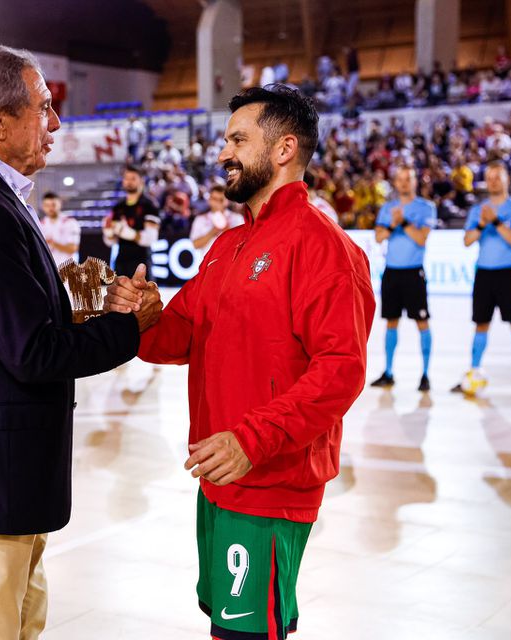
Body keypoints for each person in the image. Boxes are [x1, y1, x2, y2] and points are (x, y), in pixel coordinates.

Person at [0, 45, 162, 640]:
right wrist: (126, 326)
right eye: (44, 108)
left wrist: (71, 304)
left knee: (20, 621)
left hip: (0, 464)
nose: (56, 124)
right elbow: (32, 352)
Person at [106, 84, 374, 640]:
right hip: (220, 477)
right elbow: (179, 335)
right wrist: (137, 316)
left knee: (249, 634)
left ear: (283, 149)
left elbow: (340, 370)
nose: (223, 153)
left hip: (269, 479)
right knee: (225, 628)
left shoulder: (323, 246)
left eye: (238, 139)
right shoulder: (228, 247)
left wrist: (251, 440)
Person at [452, 162, 511, 398]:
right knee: (480, 324)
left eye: (497, 177)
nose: (493, 182)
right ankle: (473, 371)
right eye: (489, 178)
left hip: (508, 273)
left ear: (506, 178)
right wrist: (482, 223)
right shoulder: (479, 210)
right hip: (484, 274)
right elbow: (467, 241)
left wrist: (495, 221)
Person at [370, 166, 437, 391]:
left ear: (415, 181)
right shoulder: (388, 208)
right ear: (395, 183)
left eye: (408, 179)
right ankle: (388, 372)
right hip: (392, 271)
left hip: (413, 272)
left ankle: (425, 374)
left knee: (422, 321)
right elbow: (379, 237)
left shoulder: (425, 207)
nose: (404, 183)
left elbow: (422, 238)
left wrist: (404, 223)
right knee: (390, 321)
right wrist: (392, 224)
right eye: (400, 179)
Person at [103, 165, 161, 278]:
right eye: (126, 178)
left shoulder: (149, 205)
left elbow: (151, 238)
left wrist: (130, 234)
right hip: (121, 262)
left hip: (141, 261)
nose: (129, 182)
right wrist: (108, 233)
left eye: (133, 178)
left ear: (141, 181)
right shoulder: (118, 207)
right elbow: (111, 242)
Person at [189, 184, 245, 260]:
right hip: (208, 263)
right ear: (209, 200)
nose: (217, 203)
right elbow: (195, 245)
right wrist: (214, 230)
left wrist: (225, 228)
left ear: (227, 201)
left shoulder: (236, 218)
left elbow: (241, 242)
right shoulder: (200, 219)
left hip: (230, 262)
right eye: (214, 199)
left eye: (221, 200)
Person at [38, 192, 80, 265]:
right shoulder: (40, 224)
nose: (50, 208)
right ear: (43, 207)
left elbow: (72, 249)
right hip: (49, 268)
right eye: (47, 205)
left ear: (60, 204)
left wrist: (51, 243)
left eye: (53, 205)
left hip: (67, 268)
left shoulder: (70, 222)